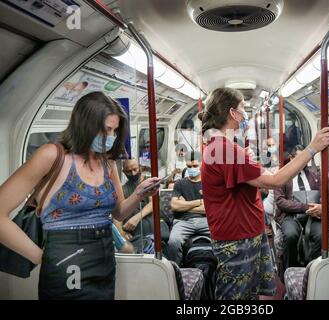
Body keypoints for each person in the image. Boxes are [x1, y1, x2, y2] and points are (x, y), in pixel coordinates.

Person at [0, 91, 160, 300]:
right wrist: (42, 258)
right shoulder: (52, 156)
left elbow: (119, 213)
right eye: (106, 130)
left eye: (115, 131)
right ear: (85, 125)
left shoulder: (107, 163)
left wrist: (139, 194)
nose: (111, 137)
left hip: (104, 258)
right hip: (66, 259)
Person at [199, 87, 329, 300]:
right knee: (235, 298)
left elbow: (255, 178)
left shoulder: (224, 147)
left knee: (255, 294)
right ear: (232, 113)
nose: (246, 115)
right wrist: (311, 149)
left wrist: (246, 157)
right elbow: (274, 181)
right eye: (243, 108)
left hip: (247, 232)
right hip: (237, 237)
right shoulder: (225, 149)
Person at [274, 145, 321, 272]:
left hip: (313, 215)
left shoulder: (314, 175)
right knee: (291, 235)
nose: (303, 162)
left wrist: (320, 207)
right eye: (300, 158)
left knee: (321, 234)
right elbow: (280, 202)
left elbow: (322, 195)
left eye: (306, 159)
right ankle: (290, 270)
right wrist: (304, 207)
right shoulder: (282, 175)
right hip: (290, 216)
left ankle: (312, 270)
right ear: (291, 158)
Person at [115, 159, 170, 246]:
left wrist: (137, 218)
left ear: (140, 168)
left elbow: (152, 203)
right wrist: (121, 233)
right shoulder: (123, 190)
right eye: (128, 171)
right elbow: (118, 215)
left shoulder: (149, 182)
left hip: (155, 226)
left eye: (135, 169)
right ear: (124, 172)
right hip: (137, 233)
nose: (133, 173)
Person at [167, 151, 210, 265]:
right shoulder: (180, 184)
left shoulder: (209, 183)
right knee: (173, 242)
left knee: (223, 236)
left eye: (195, 166)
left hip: (206, 221)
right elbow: (174, 206)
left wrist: (185, 205)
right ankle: (176, 271)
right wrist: (199, 201)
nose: (192, 169)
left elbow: (210, 208)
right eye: (189, 166)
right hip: (184, 222)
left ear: (202, 164)